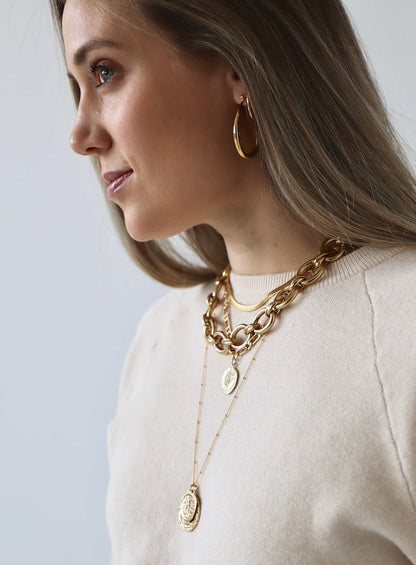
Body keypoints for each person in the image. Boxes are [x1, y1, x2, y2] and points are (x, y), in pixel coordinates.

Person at [51, 0, 416, 562]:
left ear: (237, 65)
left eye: (104, 73)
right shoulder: (157, 343)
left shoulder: (402, 330)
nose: (80, 134)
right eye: (78, 85)